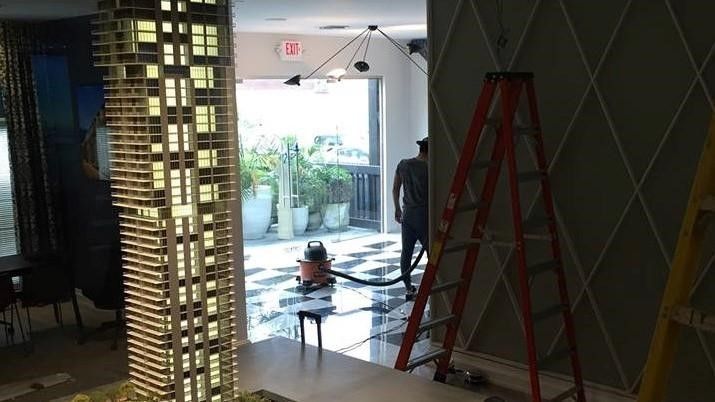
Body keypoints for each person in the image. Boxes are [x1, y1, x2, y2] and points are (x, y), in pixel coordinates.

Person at [393, 136, 428, 300]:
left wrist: (397, 208)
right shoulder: (429, 168)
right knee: (431, 253)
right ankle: (431, 287)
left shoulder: (404, 164)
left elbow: (395, 188)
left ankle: (408, 287)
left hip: (407, 215)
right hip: (424, 215)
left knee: (406, 252)